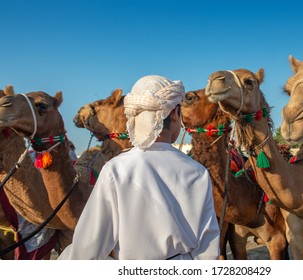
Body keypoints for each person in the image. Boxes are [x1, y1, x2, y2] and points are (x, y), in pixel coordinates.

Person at [58, 75, 220, 260]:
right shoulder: (197, 172)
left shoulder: (115, 170)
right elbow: (208, 250)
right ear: (175, 114)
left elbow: (88, 250)